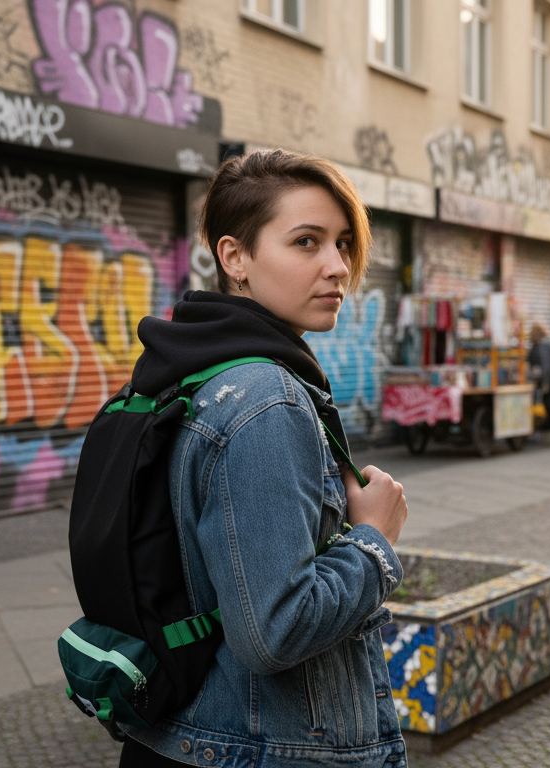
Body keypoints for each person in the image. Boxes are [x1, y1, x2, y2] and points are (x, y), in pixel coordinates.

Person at [116, 150, 410, 766]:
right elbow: (275, 630)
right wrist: (374, 538)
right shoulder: (264, 398)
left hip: (186, 735)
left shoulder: (187, 369)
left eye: (343, 242)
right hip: (265, 750)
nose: (338, 267)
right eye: (307, 242)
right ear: (235, 257)